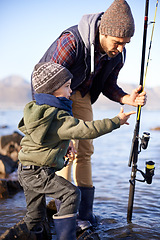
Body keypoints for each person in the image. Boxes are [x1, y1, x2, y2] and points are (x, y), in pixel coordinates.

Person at [31, 0, 146, 227]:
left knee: (85, 149)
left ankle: (84, 215)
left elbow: (108, 85)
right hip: (55, 93)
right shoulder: (71, 42)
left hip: (81, 93)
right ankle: (64, 211)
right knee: (65, 150)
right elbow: (46, 82)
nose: (121, 48)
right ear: (104, 32)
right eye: (118, 42)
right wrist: (56, 127)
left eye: (126, 43)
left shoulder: (117, 55)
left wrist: (127, 99)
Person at [19, 62, 136, 240]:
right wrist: (116, 121)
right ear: (52, 90)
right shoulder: (58, 117)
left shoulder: (39, 113)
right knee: (71, 193)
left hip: (25, 170)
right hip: (39, 173)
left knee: (35, 216)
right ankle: (67, 236)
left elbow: (50, 138)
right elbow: (87, 129)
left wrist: (65, 143)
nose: (71, 91)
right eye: (66, 86)